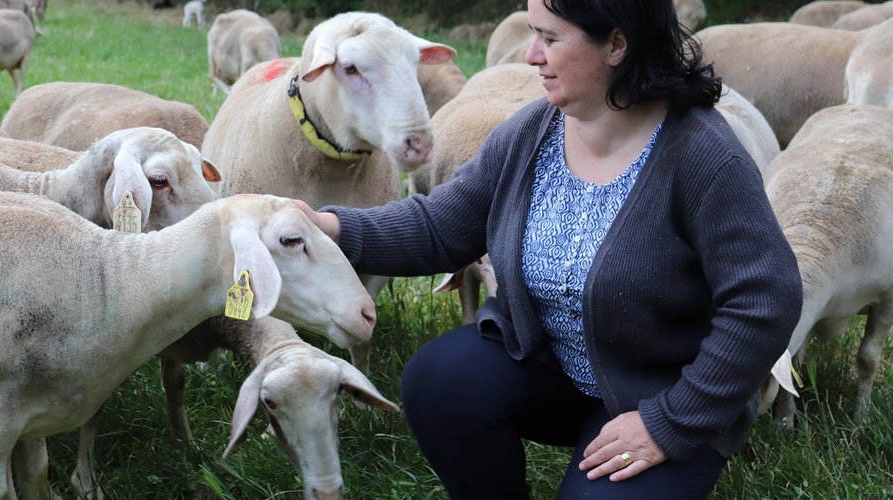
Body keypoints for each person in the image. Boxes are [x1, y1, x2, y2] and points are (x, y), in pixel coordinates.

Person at [295, 0, 802, 498]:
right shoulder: (532, 133)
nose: (530, 54)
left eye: (550, 38)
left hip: (660, 393)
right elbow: (441, 226)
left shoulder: (703, 157)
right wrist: (326, 228)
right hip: (551, 370)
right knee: (439, 380)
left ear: (616, 45)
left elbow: (765, 300)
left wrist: (671, 421)